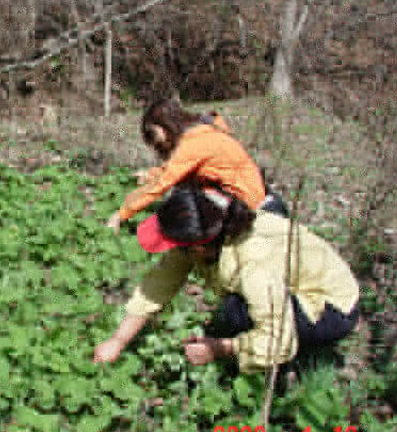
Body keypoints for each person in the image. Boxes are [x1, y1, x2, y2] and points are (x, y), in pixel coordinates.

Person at [93, 184, 359, 373]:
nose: (174, 250)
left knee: (236, 313)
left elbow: (280, 339)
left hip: (331, 307)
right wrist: (118, 340)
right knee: (236, 310)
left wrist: (221, 349)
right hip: (286, 287)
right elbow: (160, 282)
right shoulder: (208, 228)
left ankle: (289, 369)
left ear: (197, 245)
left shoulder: (253, 264)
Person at [106, 99, 287, 234]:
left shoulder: (194, 144)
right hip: (253, 196)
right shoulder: (202, 130)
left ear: (162, 127)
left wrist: (121, 214)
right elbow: (179, 169)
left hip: (248, 206)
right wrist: (151, 174)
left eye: (152, 134)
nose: (155, 142)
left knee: (184, 200)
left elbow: (164, 182)